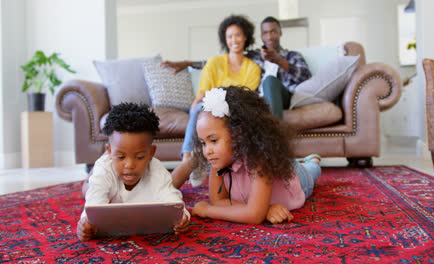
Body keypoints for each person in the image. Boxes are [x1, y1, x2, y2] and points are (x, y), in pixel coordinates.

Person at [191, 86, 321, 224]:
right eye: (203, 143)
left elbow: (253, 215)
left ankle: (312, 161)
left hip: (298, 180)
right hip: (274, 175)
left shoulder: (258, 159)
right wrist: (265, 210)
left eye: (213, 141)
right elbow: (219, 201)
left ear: (238, 134)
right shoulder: (217, 159)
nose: (207, 151)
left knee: (312, 170)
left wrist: (207, 211)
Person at [170, 14, 261, 189]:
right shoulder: (214, 62)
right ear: (225, 40)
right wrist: (198, 101)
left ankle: (196, 161)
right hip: (210, 106)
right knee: (198, 108)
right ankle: (189, 159)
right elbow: (203, 92)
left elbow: (245, 96)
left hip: (235, 108)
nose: (234, 40)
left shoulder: (253, 68)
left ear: (245, 37)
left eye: (237, 35)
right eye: (229, 36)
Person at [76, 102, 190, 241]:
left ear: (151, 153)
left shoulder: (157, 170)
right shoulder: (104, 171)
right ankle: (89, 179)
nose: (129, 165)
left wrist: (182, 217)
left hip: (134, 181)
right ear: (110, 151)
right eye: (121, 157)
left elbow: (174, 203)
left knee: (169, 183)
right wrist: (85, 224)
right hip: (104, 177)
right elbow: (93, 209)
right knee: (89, 188)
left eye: (139, 157)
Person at [161, 16, 311, 118]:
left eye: (273, 31)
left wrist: (278, 60)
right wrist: (188, 63)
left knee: (269, 81)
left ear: (280, 33)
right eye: (265, 33)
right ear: (261, 36)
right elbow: (218, 62)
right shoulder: (255, 56)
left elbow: (305, 76)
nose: (269, 36)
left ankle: (276, 134)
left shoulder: (292, 56)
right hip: (260, 101)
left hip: (282, 97)